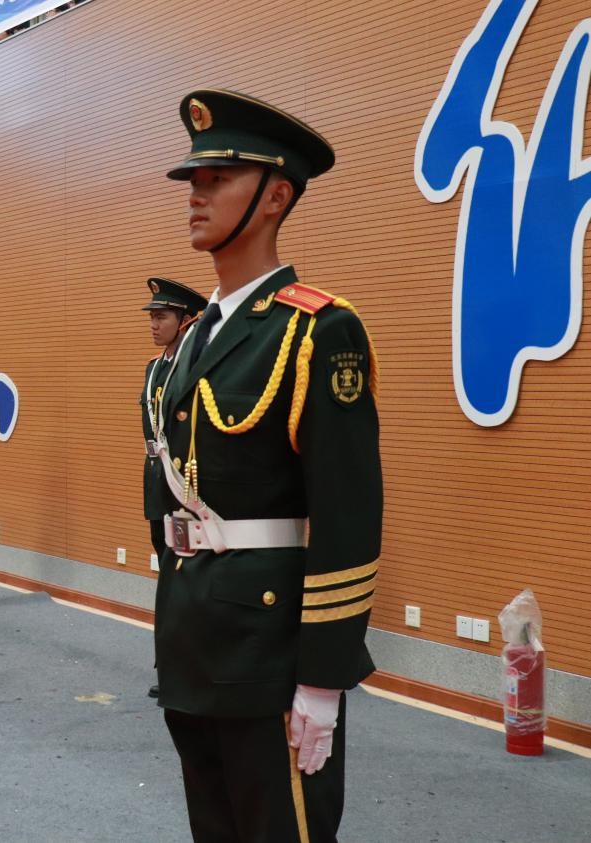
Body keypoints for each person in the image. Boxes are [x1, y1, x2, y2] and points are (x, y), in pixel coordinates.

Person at [153, 89, 381, 842]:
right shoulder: (194, 337)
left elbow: (348, 514)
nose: (195, 193)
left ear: (276, 195)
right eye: (192, 179)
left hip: (270, 647)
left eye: (216, 179)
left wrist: (324, 674)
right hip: (194, 635)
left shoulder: (318, 330)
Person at [140, 277, 206, 701]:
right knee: (167, 576)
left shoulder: (194, 368)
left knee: (185, 578)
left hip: (185, 487)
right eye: (152, 316)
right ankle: (170, 663)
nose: (153, 324)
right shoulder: (154, 368)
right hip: (157, 482)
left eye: (162, 317)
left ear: (185, 321)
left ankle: (185, 668)